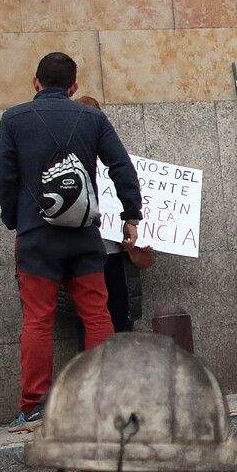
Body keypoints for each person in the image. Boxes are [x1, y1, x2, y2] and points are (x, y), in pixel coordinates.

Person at [0, 53, 143, 429]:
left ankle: (33, 404)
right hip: (84, 235)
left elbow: (0, 182)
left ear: (35, 82)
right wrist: (131, 214)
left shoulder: (14, 119)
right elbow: (121, 165)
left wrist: (17, 219)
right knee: (96, 314)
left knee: (38, 319)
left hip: (36, 237)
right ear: (74, 86)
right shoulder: (92, 117)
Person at [75, 95, 156, 332]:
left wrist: (133, 248)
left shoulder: (122, 166)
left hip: (116, 262)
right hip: (85, 258)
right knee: (90, 328)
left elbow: (147, 259)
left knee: (119, 328)